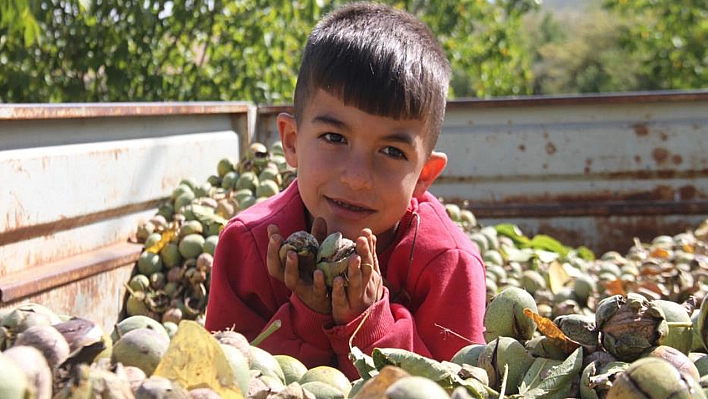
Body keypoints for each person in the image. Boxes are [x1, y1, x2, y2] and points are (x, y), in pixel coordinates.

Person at [205, 1, 486, 380]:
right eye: (334, 137)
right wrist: (308, 312)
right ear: (290, 141)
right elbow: (227, 379)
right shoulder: (248, 248)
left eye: (391, 151)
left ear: (424, 175)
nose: (357, 177)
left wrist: (368, 322)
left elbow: (457, 386)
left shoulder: (449, 267)